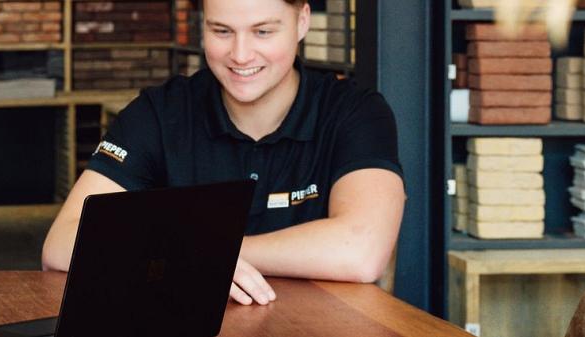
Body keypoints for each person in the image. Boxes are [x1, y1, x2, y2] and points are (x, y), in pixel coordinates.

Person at [41, 0, 406, 307]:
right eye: (221, 31)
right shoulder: (159, 112)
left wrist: (197, 253)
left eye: (263, 31)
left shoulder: (354, 112)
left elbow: (362, 249)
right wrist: (191, 254)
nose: (240, 54)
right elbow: (60, 244)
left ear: (302, 21)